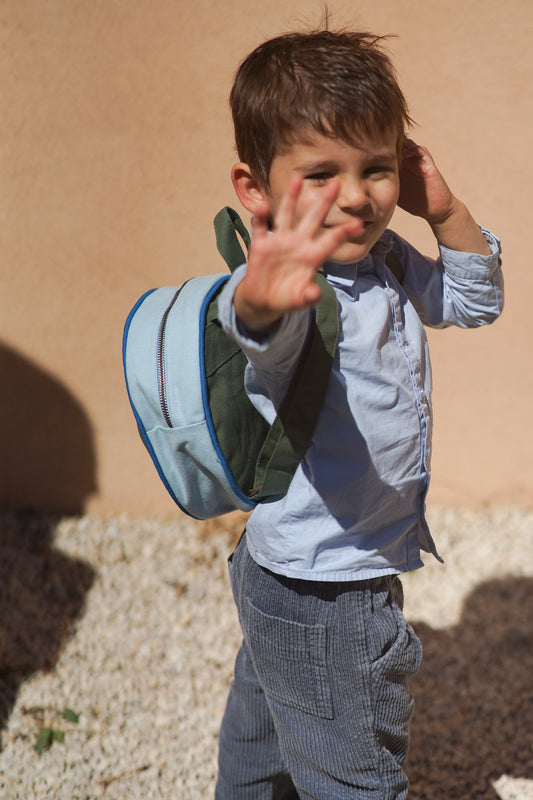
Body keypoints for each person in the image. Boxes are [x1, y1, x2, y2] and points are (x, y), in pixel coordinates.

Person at [214, 28, 503, 800]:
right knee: (354, 776)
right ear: (256, 188)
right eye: (320, 174)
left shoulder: (386, 262)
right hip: (327, 589)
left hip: (281, 570)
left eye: (376, 168)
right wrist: (263, 297)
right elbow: (261, 337)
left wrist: (441, 208)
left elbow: (475, 302)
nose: (355, 194)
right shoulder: (288, 288)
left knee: (266, 737)